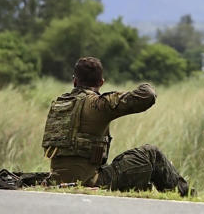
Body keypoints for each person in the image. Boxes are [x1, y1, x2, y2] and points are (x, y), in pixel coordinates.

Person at [41, 56, 190, 196]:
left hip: (57, 180)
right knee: (151, 153)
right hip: (90, 182)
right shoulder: (98, 104)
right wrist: (146, 82)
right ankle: (186, 196)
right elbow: (148, 95)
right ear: (101, 83)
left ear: (74, 81)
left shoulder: (59, 105)